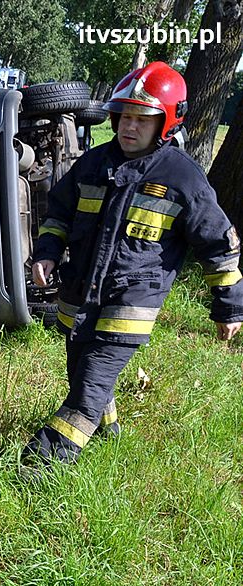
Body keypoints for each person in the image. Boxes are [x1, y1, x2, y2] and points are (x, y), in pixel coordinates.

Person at [22, 61, 243, 467]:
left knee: (85, 392)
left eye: (142, 119)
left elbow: (218, 245)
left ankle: (38, 467)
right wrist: (47, 252)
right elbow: (58, 214)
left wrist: (229, 306)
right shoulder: (93, 164)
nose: (128, 126)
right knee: (82, 370)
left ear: (166, 123)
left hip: (131, 303)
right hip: (79, 297)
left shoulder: (183, 177)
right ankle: (110, 434)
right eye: (124, 116)